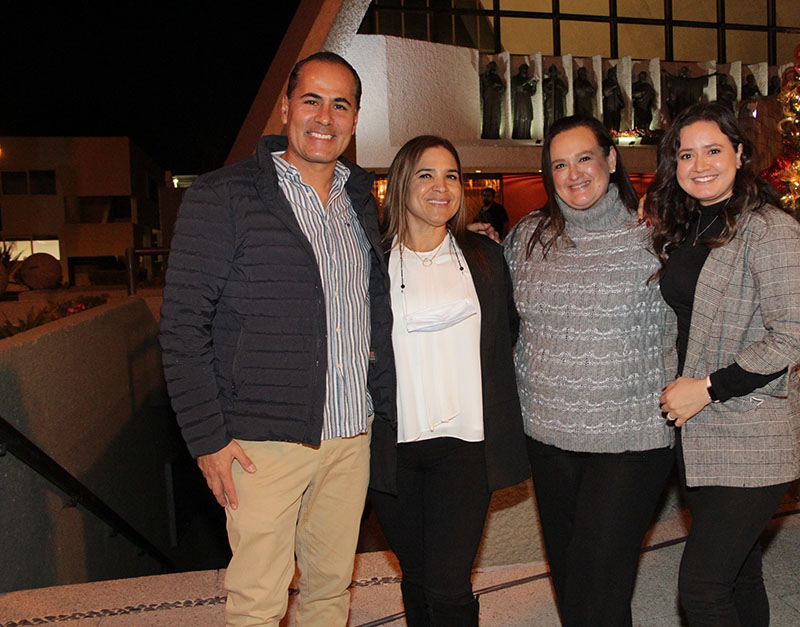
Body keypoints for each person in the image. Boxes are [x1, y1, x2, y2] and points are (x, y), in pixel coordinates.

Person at [159, 51, 395, 626]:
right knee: (258, 602)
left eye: (340, 104)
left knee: (330, 591)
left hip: (349, 434)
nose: (324, 116)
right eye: (311, 99)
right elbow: (182, 325)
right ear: (286, 106)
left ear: (356, 118)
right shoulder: (224, 197)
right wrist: (207, 439)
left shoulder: (360, 200)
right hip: (261, 445)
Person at [645, 102, 800, 627]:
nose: (699, 164)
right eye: (685, 154)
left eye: (713, 150)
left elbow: (793, 338)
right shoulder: (688, 228)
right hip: (700, 438)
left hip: (752, 434)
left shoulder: (770, 230)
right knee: (739, 575)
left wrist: (708, 388)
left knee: (701, 590)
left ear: (740, 154)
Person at [504, 115, 674, 626]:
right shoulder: (526, 239)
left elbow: (709, 306)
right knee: (572, 578)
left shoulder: (657, 233)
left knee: (601, 572)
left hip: (633, 437)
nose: (574, 173)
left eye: (585, 158)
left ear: (611, 160)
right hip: (548, 434)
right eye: (559, 164)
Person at [369, 135, 529, 626]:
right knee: (416, 574)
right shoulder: (371, 261)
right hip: (392, 448)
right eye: (426, 174)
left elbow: (510, 332)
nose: (442, 187)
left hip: (465, 447)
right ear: (401, 184)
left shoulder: (484, 257)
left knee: (449, 584)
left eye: (452, 176)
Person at [511, 63, 538, 139]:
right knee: (520, 117)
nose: (525, 71)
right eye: (523, 70)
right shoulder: (515, 78)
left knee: (528, 116)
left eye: (526, 70)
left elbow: (532, 92)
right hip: (520, 100)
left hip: (527, 100)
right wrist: (524, 87)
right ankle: (519, 135)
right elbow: (517, 88)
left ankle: (527, 134)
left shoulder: (528, 79)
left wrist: (534, 85)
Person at [480, 61, 505, 139]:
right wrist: (493, 85)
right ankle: (487, 133)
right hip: (488, 97)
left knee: (496, 115)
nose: (493, 69)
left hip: (496, 98)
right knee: (488, 115)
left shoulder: (496, 77)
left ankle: (495, 133)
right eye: (492, 67)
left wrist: (499, 87)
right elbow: (486, 84)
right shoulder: (485, 76)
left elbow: (503, 88)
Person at [602, 67, 626, 131]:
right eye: (611, 74)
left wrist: (622, 101)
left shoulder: (616, 83)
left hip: (616, 106)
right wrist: (613, 86)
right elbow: (605, 92)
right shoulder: (606, 82)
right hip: (609, 106)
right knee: (609, 123)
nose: (612, 75)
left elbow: (619, 93)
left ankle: (616, 133)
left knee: (617, 123)